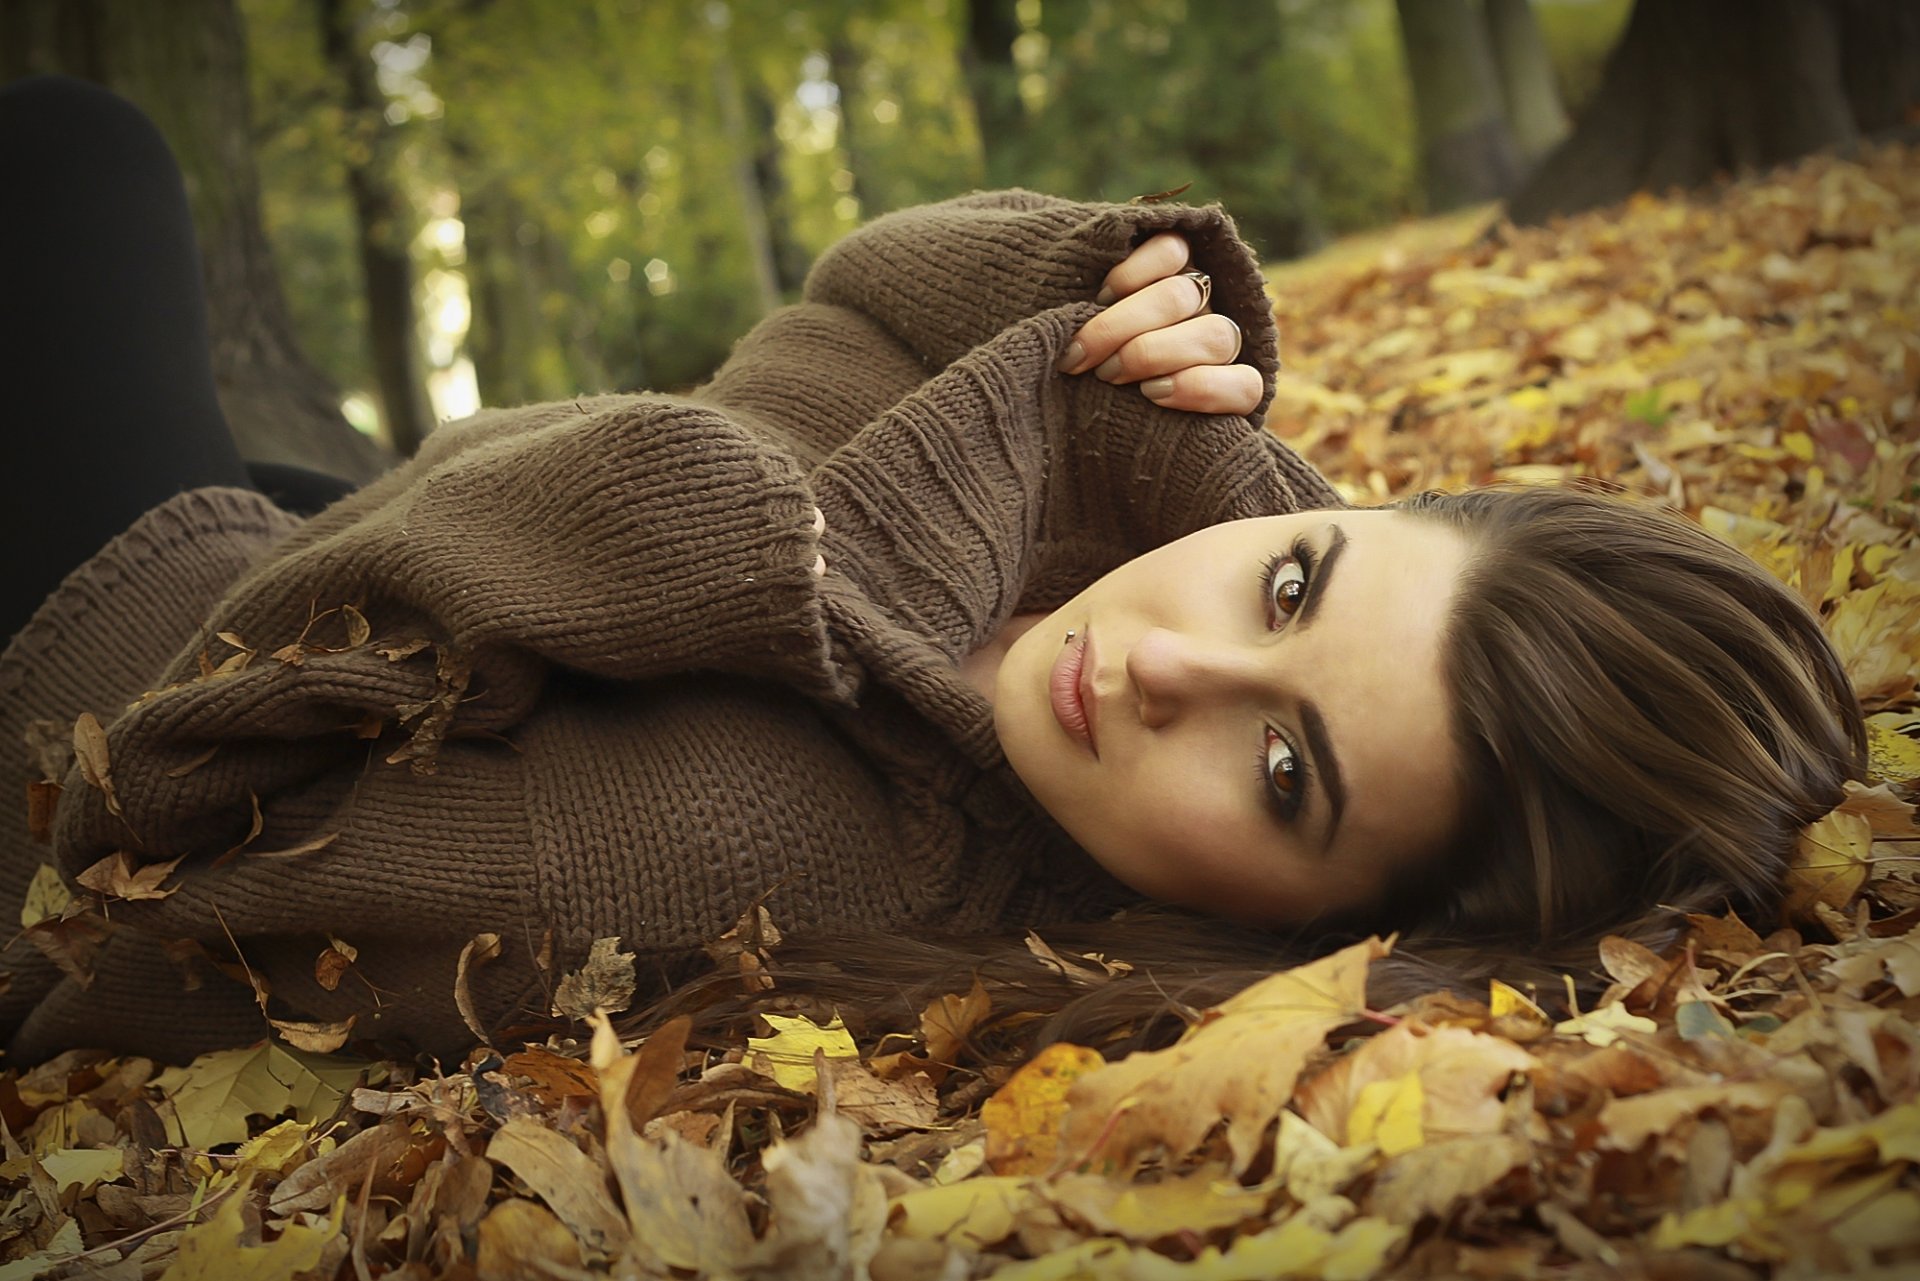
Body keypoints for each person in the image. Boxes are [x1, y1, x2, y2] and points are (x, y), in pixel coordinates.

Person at [0, 77, 1865, 1066]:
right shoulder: (1153, 487)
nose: (1172, 669)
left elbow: (176, 815)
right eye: (1290, 586)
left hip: (94, 664)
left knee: (76, 159)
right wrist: (1100, 282)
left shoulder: (753, 855)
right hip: (328, 513)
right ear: (1336, 510)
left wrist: (760, 532)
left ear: (1314, 930)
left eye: (1286, 774)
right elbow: (848, 304)